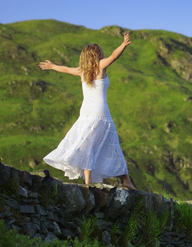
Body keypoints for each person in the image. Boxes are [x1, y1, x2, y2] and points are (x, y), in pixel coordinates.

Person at [38, 33, 137, 190]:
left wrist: (52, 66)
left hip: (85, 113)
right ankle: (125, 180)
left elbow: (65, 69)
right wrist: (123, 45)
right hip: (101, 113)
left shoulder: (82, 71)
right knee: (112, 144)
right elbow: (114, 56)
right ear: (97, 55)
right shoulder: (100, 67)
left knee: (87, 145)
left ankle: (89, 181)